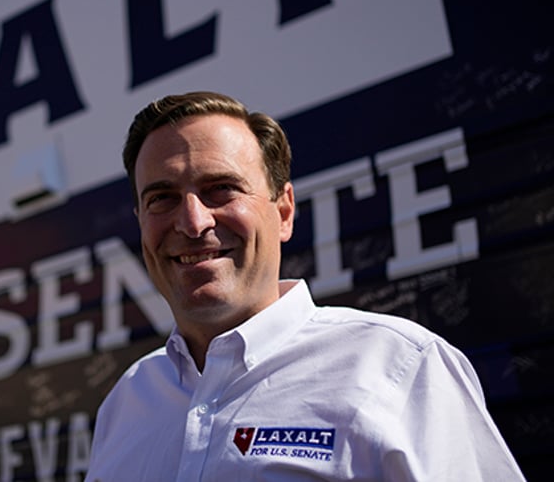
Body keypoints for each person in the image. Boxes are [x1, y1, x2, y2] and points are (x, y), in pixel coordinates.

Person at [85, 91, 524, 481]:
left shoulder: (400, 367)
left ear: (284, 212)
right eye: (161, 197)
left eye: (221, 189)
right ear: (141, 222)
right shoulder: (127, 402)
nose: (193, 222)